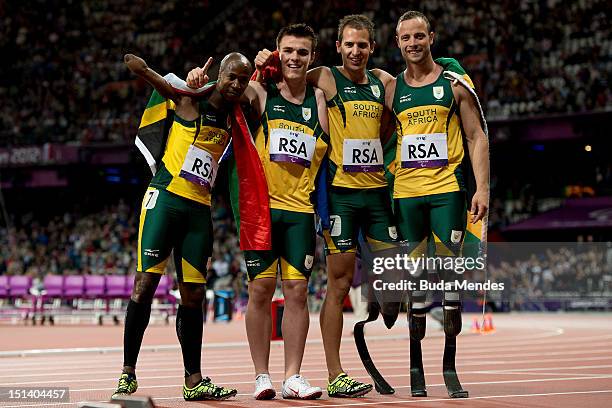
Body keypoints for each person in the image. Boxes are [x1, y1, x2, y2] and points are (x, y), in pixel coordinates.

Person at [255, 14, 397, 398]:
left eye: (362, 44)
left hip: (378, 193)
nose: (355, 50)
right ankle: (335, 373)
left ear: (371, 47)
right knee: (337, 284)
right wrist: (264, 64)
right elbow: (283, 73)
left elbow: (398, 116)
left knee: (397, 279)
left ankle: (386, 297)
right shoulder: (324, 78)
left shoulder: (386, 82)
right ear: (337, 48)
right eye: (348, 44)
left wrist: (452, 71)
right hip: (339, 196)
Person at [189, 23, 328, 400]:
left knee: (298, 293)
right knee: (261, 290)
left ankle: (293, 377)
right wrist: (198, 78)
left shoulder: (319, 100)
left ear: (311, 57)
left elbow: (325, 160)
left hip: (300, 211)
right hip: (262, 212)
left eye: (302, 52)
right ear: (277, 52)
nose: (294, 58)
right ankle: (262, 376)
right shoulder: (261, 93)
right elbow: (225, 85)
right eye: (288, 51)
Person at [112, 52, 253, 401]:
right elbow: (157, 80)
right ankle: (127, 373)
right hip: (165, 201)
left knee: (193, 295)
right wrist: (143, 68)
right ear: (219, 75)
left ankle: (194, 380)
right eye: (231, 76)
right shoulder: (190, 100)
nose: (236, 84)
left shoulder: (235, 118)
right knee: (144, 285)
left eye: (243, 79)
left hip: (198, 213)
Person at [386, 11, 490, 398]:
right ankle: (415, 366)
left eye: (419, 36)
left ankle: (449, 366)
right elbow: (377, 137)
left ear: (432, 37)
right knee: (415, 283)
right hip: (406, 197)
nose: (412, 43)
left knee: (448, 283)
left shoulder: (454, 85)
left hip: (447, 192)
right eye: (405, 38)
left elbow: (477, 137)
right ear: (397, 43)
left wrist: (482, 190)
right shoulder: (393, 90)